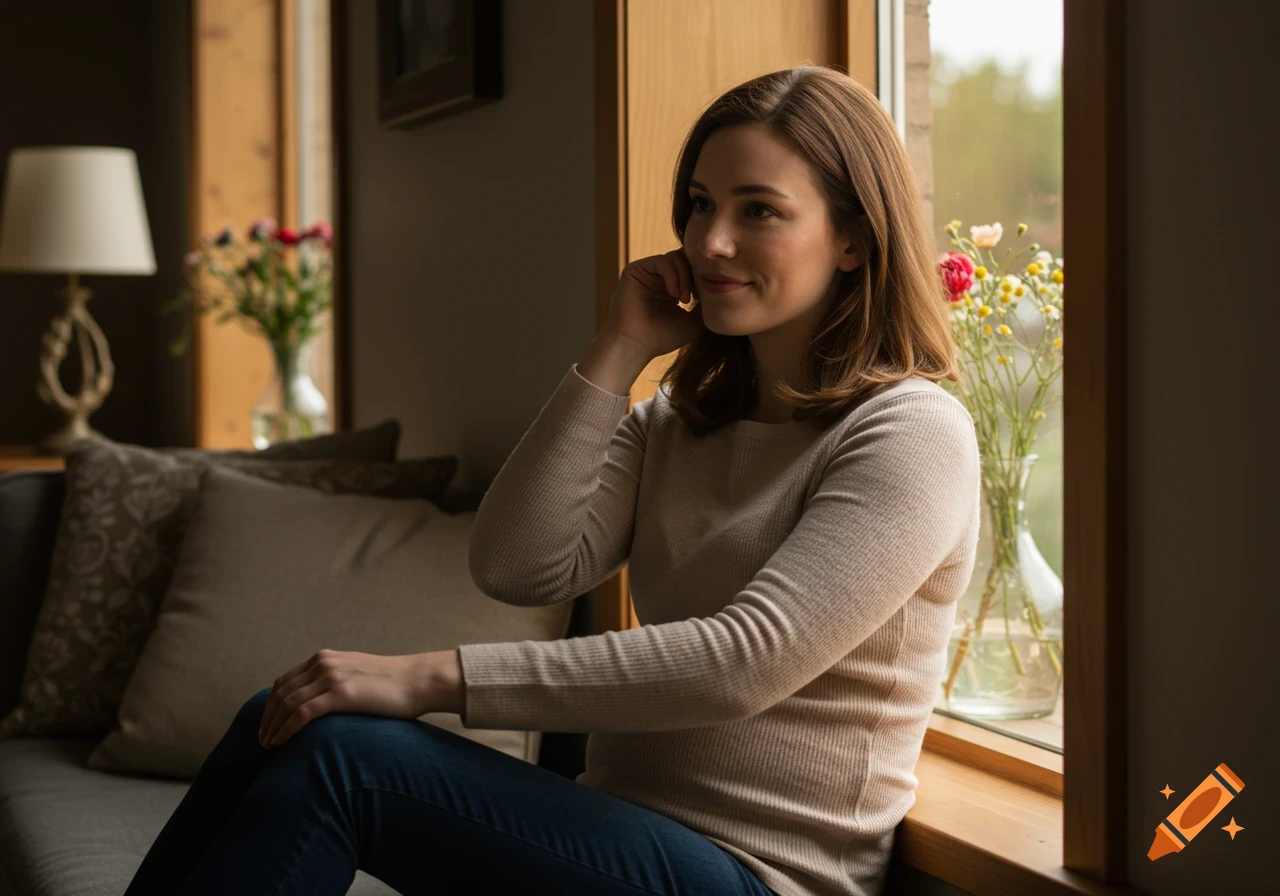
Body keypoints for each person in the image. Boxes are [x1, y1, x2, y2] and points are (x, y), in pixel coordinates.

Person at [122, 65, 980, 896]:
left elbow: (741, 663)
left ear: (854, 239)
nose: (710, 242)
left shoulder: (911, 433)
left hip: (757, 875)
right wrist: (617, 351)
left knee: (342, 756)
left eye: (759, 210)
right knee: (278, 716)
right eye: (700, 204)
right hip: (615, 837)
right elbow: (516, 566)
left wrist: (425, 678)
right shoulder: (683, 421)